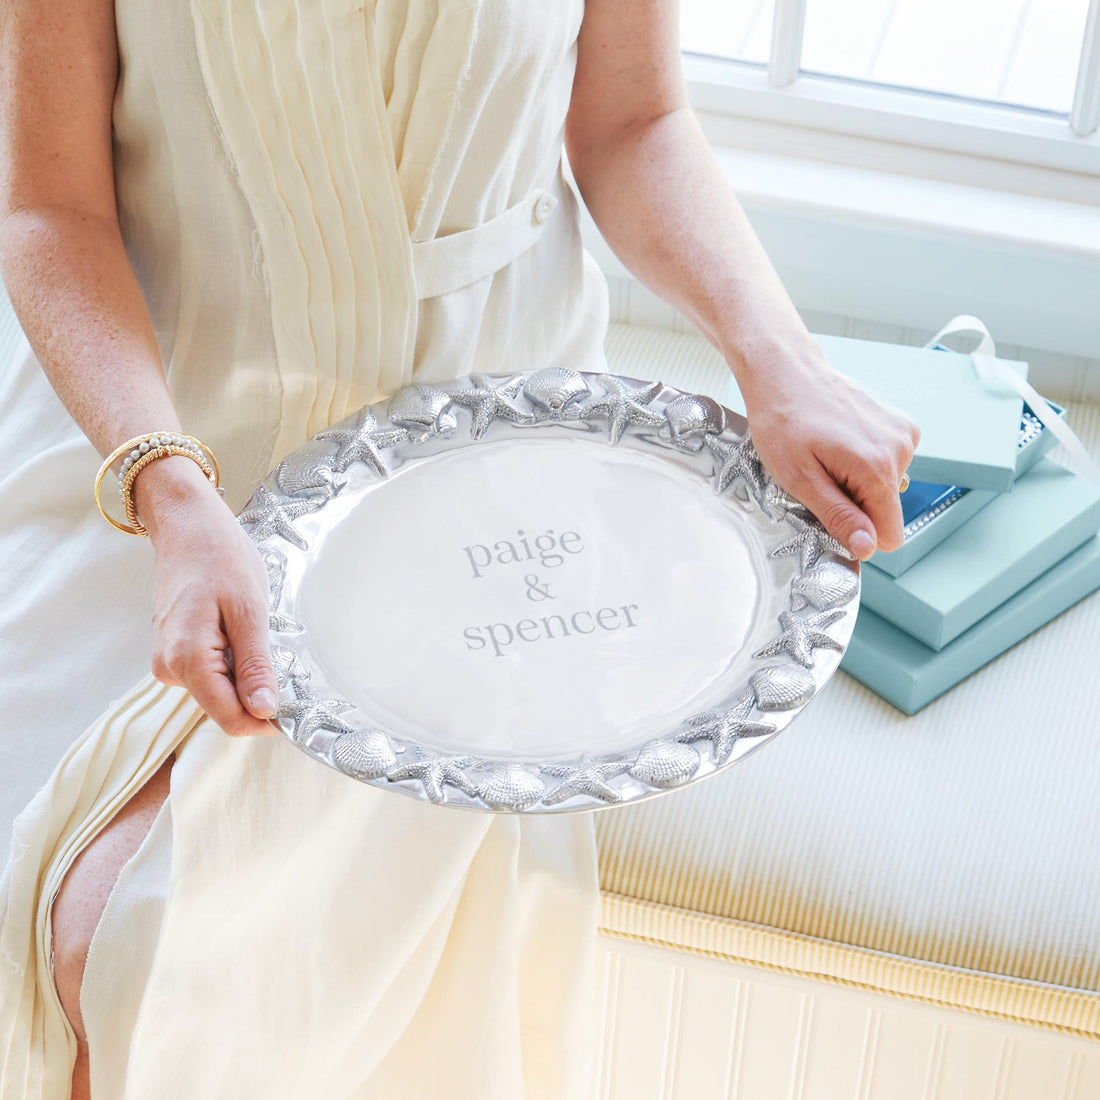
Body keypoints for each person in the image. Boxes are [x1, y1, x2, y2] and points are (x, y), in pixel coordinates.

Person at [0, 0, 919, 1097]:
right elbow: (50, 211)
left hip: (477, 452)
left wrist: (778, 360)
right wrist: (170, 489)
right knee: (73, 914)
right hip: (152, 419)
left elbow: (632, 121)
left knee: (134, 932)